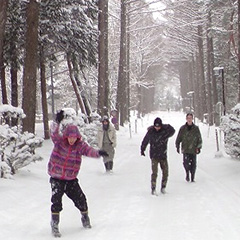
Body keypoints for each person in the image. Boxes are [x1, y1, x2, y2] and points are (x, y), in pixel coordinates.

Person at [48, 110, 108, 237]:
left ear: (77, 137)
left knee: (80, 199)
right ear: (66, 136)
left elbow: (89, 151)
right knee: (56, 201)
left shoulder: (80, 145)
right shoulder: (60, 142)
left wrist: (98, 153)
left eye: (74, 137)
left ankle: (85, 217)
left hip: (70, 179)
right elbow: (53, 133)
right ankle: (54, 224)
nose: (71, 139)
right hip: (56, 177)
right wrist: (56, 121)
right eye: (70, 137)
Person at [141, 117, 175, 195]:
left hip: (163, 155)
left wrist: (165, 126)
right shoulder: (151, 132)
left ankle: (163, 187)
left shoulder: (165, 132)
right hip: (154, 155)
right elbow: (145, 140)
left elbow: (173, 131)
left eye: (158, 126)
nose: (157, 128)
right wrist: (142, 149)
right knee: (154, 173)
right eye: (156, 126)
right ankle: (153, 188)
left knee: (165, 172)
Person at [175, 113, 202, 182]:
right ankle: (187, 173)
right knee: (186, 163)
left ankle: (192, 177)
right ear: (186, 119)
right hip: (186, 149)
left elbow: (199, 138)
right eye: (188, 118)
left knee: (193, 164)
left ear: (192, 119)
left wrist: (198, 147)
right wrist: (177, 146)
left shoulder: (196, 128)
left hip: (193, 149)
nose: (189, 119)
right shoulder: (183, 128)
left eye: (190, 118)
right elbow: (179, 138)